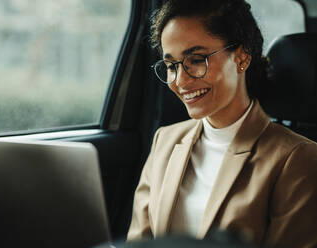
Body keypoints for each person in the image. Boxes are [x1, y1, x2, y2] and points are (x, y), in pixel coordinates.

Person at [127, 0, 317, 247]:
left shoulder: (299, 160)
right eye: (171, 65)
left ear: (241, 58)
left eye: (196, 59)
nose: (180, 80)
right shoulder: (164, 140)